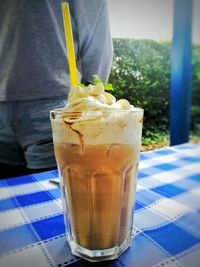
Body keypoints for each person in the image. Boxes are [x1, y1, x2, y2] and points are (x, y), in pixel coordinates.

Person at [0, 0, 113, 178]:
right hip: (40, 101)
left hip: (52, 107)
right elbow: (96, 35)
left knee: (57, 195)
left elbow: (96, 38)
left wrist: (87, 102)